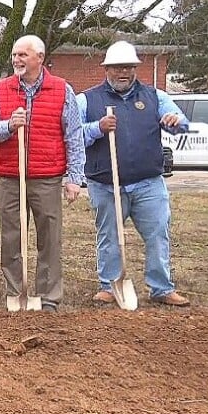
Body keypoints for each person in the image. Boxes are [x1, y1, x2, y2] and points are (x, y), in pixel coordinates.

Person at [79, 40, 190, 306]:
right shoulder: (86, 99)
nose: (123, 72)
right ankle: (109, 285)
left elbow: (181, 122)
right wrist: (97, 128)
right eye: (118, 67)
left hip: (148, 183)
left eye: (128, 67)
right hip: (105, 183)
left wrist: (176, 122)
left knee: (157, 234)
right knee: (109, 236)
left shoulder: (155, 97)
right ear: (106, 69)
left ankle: (161, 288)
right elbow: (72, 135)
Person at [0, 35, 85, 311]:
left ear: (40, 57)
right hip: (10, 177)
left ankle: (48, 298)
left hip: (46, 177)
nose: (16, 60)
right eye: (14, 55)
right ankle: (16, 293)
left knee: (49, 238)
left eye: (23, 55)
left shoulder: (61, 90)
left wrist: (74, 177)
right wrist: (8, 126)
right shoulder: (0, 89)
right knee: (11, 238)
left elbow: (74, 135)